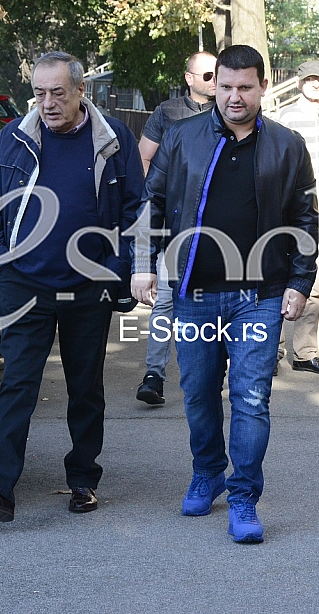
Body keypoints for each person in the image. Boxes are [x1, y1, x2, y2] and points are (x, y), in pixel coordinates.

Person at [131, 44, 318, 543]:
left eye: (246, 87)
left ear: (262, 86)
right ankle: (208, 470)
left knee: (252, 398)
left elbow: (305, 219)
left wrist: (300, 282)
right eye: (227, 86)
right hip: (195, 292)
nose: (235, 97)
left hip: (259, 294)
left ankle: (243, 496)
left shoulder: (287, 144)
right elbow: (151, 203)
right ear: (215, 85)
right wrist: (143, 267)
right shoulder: (182, 136)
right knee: (197, 393)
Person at [0, 51, 144, 521]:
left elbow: (136, 208)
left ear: (81, 91)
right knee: (17, 384)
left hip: (87, 286)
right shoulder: (15, 137)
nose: (48, 103)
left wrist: (115, 269)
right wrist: (2, 265)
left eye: (58, 93)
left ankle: (82, 479)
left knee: (85, 387)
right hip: (25, 285)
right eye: (39, 93)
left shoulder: (112, 138)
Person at [135, 51, 217, 405]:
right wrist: (155, 200)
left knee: (211, 302)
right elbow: (144, 157)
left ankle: (209, 374)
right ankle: (154, 375)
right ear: (189, 78)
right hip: (175, 227)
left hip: (218, 231)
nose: (215, 81)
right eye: (209, 75)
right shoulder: (168, 113)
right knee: (165, 301)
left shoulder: (228, 114)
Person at [275, 60, 319, 376]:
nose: (315, 84)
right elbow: (277, 162)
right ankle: (272, 352)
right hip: (289, 212)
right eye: (310, 79)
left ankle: (304, 353)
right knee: (279, 278)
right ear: (300, 83)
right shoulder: (286, 117)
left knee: (315, 283)